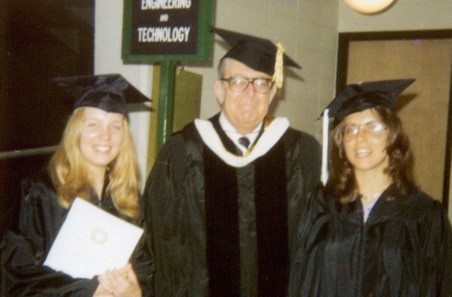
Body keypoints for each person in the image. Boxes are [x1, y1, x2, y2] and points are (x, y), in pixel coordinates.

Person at [142, 27, 321, 297]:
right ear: (219, 89)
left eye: (261, 83)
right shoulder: (182, 151)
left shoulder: (301, 152)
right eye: (238, 81)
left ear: (273, 94)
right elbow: (161, 241)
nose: (250, 92)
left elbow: (317, 243)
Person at [289, 79, 452, 297]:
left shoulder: (424, 214)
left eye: (373, 128)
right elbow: (300, 281)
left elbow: (440, 287)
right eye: (350, 130)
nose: (360, 139)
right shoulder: (320, 205)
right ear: (341, 141)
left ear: (392, 135)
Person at [1, 74, 154, 297]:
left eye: (116, 127)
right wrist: (90, 291)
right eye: (94, 124)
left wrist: (136, 291)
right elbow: (14, 278)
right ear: (76, 131)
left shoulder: (128, 197)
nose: (106, 136)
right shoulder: (40, 192)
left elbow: (146, 268)